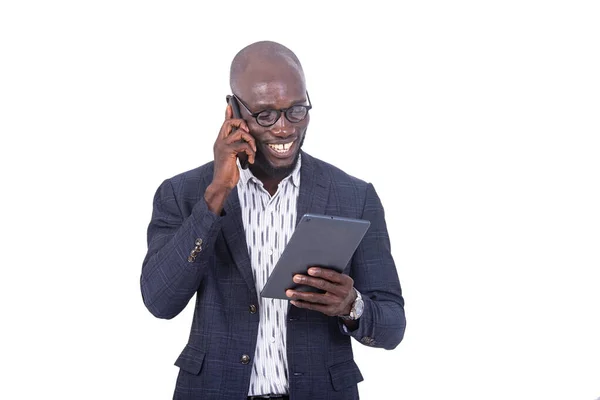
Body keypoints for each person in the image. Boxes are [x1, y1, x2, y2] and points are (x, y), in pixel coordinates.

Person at [140, 40, 406, 400]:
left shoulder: (353, 196)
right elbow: (160, 301)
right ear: (232, 110)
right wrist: (216, 193)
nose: (284, 128)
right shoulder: (183, 193)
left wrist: (351, 306)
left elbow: (392, 325)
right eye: (265, 115)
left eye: (296, 110)